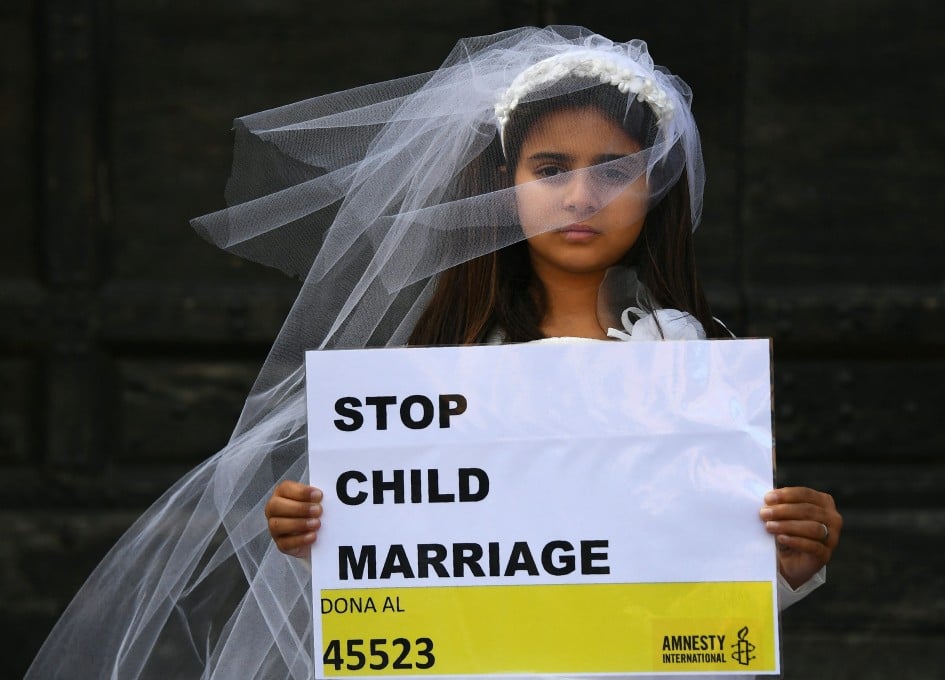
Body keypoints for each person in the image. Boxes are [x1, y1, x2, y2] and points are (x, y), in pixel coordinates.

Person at [27, 26, 841, 680]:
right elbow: (404, 571)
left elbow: (703, 582)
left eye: (616, 170)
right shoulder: (441, 369)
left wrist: (790, 560)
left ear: (656, 186)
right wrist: (317, 531)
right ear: (503, 181)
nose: (582, 196)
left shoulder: (691, 360)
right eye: (550, 168)